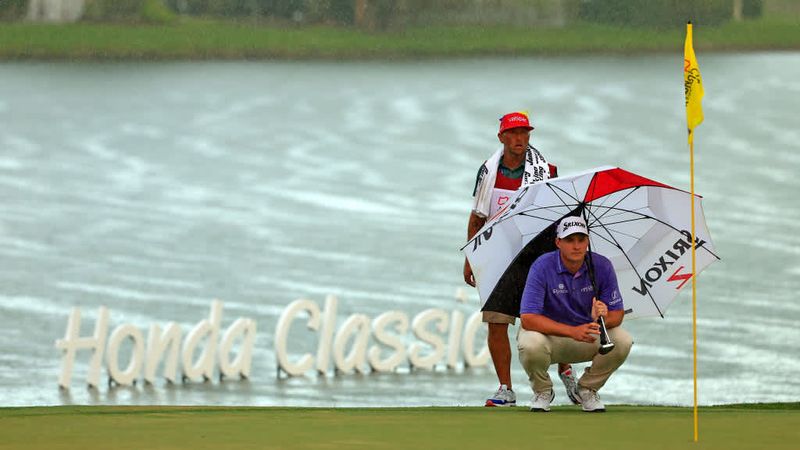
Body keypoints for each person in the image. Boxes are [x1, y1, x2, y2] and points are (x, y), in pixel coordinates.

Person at [464, 111, 579, 407]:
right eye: (513, 134)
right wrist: (470, 256)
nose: (520, 139)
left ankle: (565, 369)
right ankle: (505, 388)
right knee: (496, 320)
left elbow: (557, 215)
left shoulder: (547, 170)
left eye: (524, 133)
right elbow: (478, 215)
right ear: (502, 137)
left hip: (536, 253)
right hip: (497, 254)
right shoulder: (488, 171)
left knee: (547, 318)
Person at [517, 215, 633, 412]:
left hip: (587, 336)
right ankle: (543, 390)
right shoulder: (542, 266)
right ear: (558, 242)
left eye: (581, 240)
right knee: (530, 344)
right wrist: (572, 331)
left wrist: (602, 316)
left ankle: (587, 388)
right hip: (549, 339)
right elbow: (528, 319)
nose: (577, 246)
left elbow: (618, 314)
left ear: (588, 241)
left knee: (623, 340)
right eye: (570, 240)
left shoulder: (602, 266)